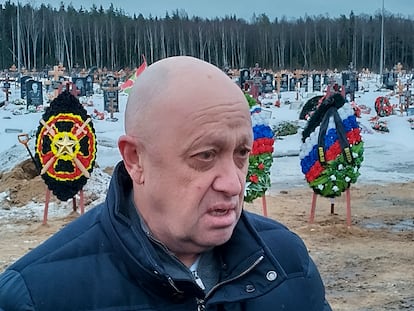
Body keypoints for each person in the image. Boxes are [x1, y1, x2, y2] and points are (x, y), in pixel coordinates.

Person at [0, 56, 332, 310]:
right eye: (204, 155)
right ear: (135, 160)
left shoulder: (287, 263)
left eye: (241, 153)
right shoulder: (38, 295)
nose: (233, 183)